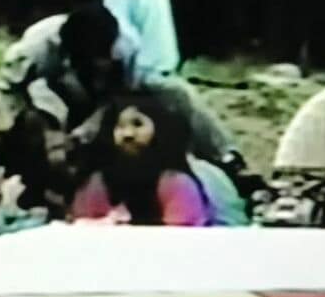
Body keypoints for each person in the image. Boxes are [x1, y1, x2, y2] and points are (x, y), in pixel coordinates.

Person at [1, 4, 237, 167]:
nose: (99, 66)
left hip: (113, 95)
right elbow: (8, 89)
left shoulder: (127, 47)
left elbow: (122, 98)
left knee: (176, 92)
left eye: (104, 59)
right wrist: (31, 127)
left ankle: (226, 156)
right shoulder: (36, 48)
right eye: (93, 61)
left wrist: (91, 127)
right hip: (65, 90)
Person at [72, 94, 242, 227]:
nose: (128, 134)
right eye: (120, 127)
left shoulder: (177, 182)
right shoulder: (98, 182)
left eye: (137, 124)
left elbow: (183, 240)